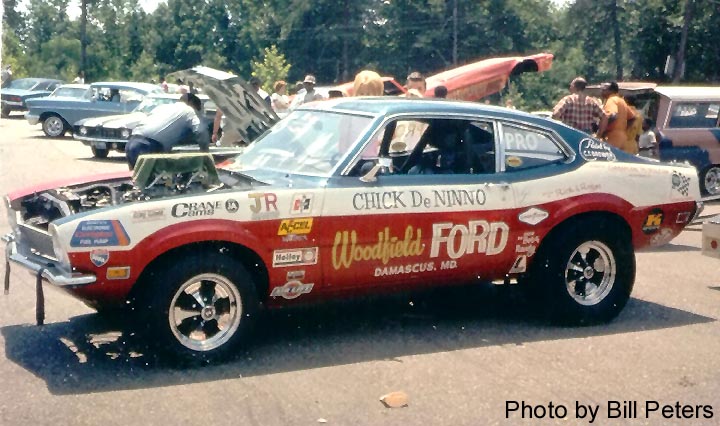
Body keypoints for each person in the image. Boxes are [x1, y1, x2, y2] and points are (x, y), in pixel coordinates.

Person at [125, 93, 209, 169]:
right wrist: (205, 154)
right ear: (191, 104)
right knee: (154, 178)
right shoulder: (189, 110)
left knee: (135, 177)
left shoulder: (163, 107)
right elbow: (201, 131)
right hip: (149, 145)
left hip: (132, 142)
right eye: (197, 109)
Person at [599, 81, 636, 153]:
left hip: (612, 136)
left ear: (611, 90)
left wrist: (601, 132)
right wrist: (624, 129)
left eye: (604, 90)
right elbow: (632, 118)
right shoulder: (621, 101)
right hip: (622, 137)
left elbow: (612, 115)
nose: (601, 92)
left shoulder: (611, 100)